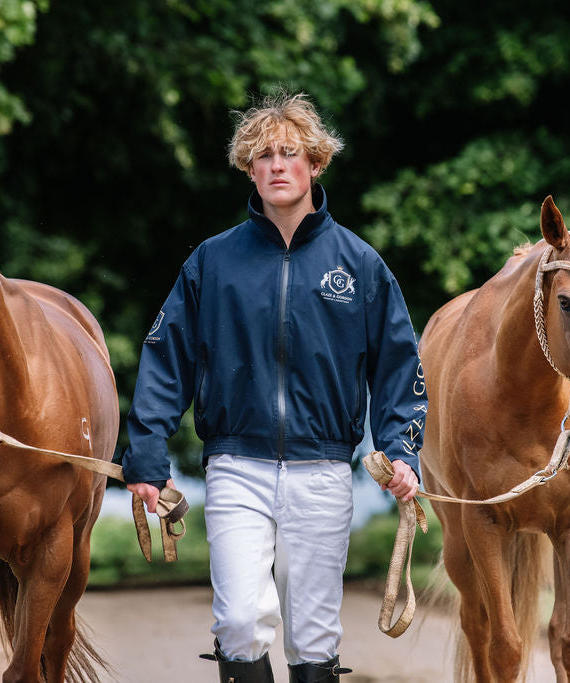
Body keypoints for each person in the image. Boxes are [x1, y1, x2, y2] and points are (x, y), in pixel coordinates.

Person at [122, 91, 425, 683]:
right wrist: (148, 458)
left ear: (315, 165)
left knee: (313, 636)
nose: (277, 166)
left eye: (290, 153)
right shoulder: (211, 263)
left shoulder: (361, 265)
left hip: (325, 470)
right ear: (249, 169)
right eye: (263, 156)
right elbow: (165, 361)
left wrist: (402, 449)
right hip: (236, 466)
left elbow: (399, 369)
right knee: (239, 620)